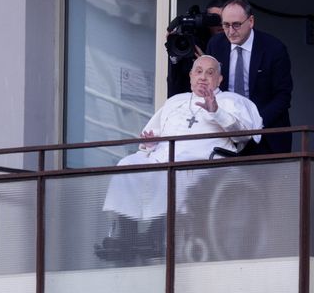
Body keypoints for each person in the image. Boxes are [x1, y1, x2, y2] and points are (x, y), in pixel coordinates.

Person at [97, 55, 262, 262]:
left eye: (210, 73)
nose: (203, 77)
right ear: (191, 76)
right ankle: (125, 236)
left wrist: (216, 111)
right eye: (198, 72)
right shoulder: (175, 101)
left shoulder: (231, 101)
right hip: (160, 158)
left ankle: (155, 236)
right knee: (127, 165)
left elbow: (245, 135)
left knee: (171, 173)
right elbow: (149, 135)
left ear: (219, 79)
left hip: (201, 165)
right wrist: (149, 143)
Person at [206, 0, 293, 154]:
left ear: (251, 21)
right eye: (225, 25)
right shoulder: (215, 45)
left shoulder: (274, 48)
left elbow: (283, 96)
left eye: (236, 25)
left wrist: (253, 124)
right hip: (227, 133)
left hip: (266, 132)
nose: (230, 31)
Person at [166, 0, 225, 97]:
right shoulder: (194, 42)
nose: (219, 24)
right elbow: (174, 87)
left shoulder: (232, 46)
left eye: (223, 19)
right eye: (213, 19)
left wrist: (207, 60)